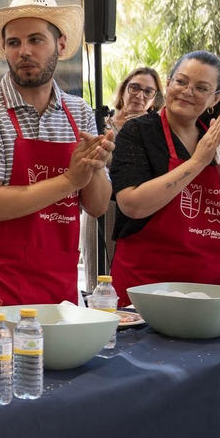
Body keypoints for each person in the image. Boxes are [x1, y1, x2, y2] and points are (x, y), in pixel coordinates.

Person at [0, 0, 113, 327]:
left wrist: (93, 168)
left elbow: (96, 206)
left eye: (36, 40)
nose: (24, 51)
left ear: (61, 45)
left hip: (58, 292)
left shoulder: (79, 112)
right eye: (13, 42)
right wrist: (69, 180)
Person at [109, 50, 220, 305]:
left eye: (202, 88)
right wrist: (198, 161)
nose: (188, 91)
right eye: (181, 81)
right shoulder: (138, 132)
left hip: (208, 291)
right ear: (168, 84)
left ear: (215, 98)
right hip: (143, 290)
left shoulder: (219, 137)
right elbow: (132, 204)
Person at [82, 66, 161, 289]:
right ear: (123, 89)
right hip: (102, 205)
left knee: (128, 280)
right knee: (96, 279)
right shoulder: (100, 123)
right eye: (135, 87)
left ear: (154, 98)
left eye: (148, 91)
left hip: (138, 210)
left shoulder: (155, 131)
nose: (139, 95)